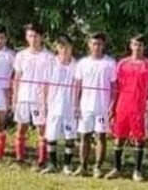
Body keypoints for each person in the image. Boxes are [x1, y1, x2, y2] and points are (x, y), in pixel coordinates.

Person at [106, 34, 148, 182]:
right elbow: (115, 86)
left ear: (144, 47)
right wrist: (112, 106)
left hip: (139, 107)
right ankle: (117, 168)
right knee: (119, 137)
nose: (137, 48)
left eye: (140, 45)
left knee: (139, 138)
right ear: (131, 46)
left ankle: (137, 171)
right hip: (123, 105)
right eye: (135, 44)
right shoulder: (122, 63)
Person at [72, 33, 116, 178]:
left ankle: (97, 167)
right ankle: (83, 166)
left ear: (103, 45)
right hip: (85, 107)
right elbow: (77, 85)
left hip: (102, 107)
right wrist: (76, 105)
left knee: (100, 136)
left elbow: (114, 87)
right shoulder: (82, 63)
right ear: (89, 45)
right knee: (84, 136)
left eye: (99, 44)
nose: (96, 47)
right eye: (94, 44)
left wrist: (112, 105)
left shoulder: (110, 63)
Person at [12, 23, 54, 168]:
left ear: (41, 37)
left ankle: (41, 160)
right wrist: (14, 98)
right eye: (30, 36)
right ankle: (19, 159)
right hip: (23, 97)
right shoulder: (21, 55)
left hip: (40, 99)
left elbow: (50, 81)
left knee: (41, 129)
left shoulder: (49, 57)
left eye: (36, 36)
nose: (33, 39)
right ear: (26, 37)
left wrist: (47, 100)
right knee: (21, 128)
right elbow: (17, 78)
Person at [40, 35, 77, 175]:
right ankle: (52, 164)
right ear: (57, 48)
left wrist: (77, 105)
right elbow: (45, 85)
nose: (64, 50)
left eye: (67, 47)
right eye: (61, 47)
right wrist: (44, 104)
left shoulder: (76, 65)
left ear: (71, 47)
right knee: (51, 135)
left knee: (70, 136)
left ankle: (67, 165)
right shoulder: (51, 63)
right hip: (53, 105)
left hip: (70, 106)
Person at [0, 25, 15, 166]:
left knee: (0, 124)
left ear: (6, 39)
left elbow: (17, 75)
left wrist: (11, 96)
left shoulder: (11, 55)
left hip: (2, 93)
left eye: (2, 38)